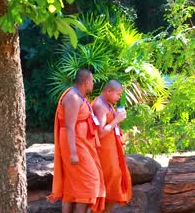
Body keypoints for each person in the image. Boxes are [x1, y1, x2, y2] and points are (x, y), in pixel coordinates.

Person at [47, 69, 105, 213]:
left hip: (82, 144)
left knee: (74, 185)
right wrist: (73, 153)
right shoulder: (73, 97)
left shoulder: (81, 97)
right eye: (92, 81)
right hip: (75, 145)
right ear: (86, 82)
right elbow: (69, 127)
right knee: (90, 181)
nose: (93, 83)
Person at [92, 80, 132, 212]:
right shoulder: (100, 106)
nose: (119, 97)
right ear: (108, 91)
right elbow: (101, 133)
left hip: (112, 150)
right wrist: (116, 120)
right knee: (110, 181)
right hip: (104, 152)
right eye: (118, 94)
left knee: (115, 180)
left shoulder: (107, 103)